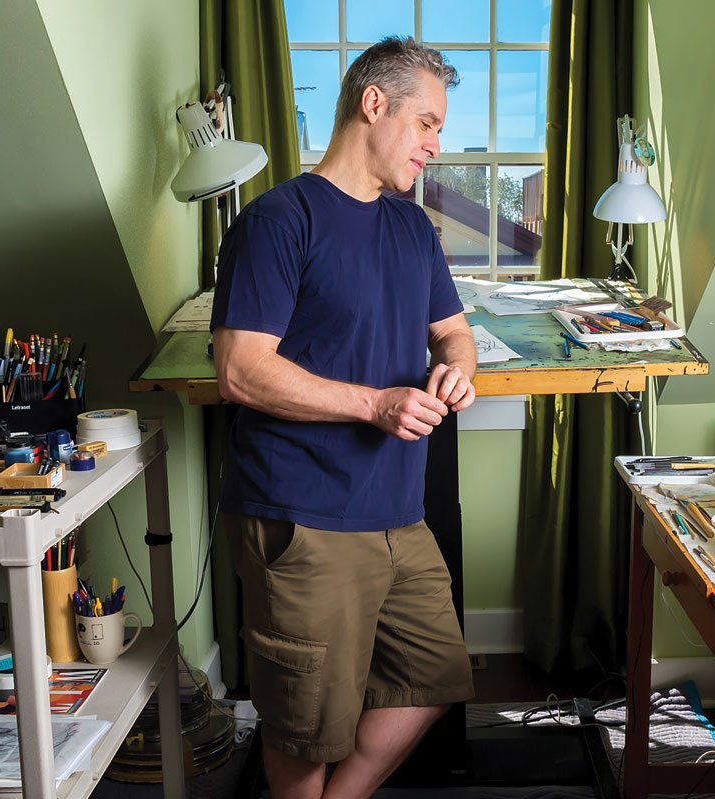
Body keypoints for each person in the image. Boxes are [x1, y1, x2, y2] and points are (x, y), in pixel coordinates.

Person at [210, 36, 477, 799]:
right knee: (306, 727)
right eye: (426, 123)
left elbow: (453, 331)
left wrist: (457, 371)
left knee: (433, 676)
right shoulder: (276, 221)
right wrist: (376, 402)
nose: (435, 143)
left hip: (398, 510)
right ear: (372, 105)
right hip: (304, 513)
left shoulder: (412, 228)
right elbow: (239, 369)